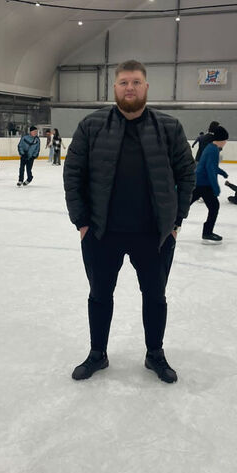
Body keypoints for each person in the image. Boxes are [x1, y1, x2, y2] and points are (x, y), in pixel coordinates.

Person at [63, 60, 195, 383]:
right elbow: (73, 174)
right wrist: (82, 223)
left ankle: (155, 354)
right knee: (99, 295)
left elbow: (186, 174)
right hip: (102, 232)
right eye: (123, 82)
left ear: (146, 86)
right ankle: (97, 353)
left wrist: (176, 222)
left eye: (136, 82)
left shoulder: (169, 127)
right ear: (115, 88)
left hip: (154, 235)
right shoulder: (91, 125)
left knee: (155, 296)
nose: (130, 88)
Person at [190, 125, 229, 243]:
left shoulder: (210, 147)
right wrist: (216, 188)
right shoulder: (213, 150)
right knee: (214, 207)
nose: (226, 142)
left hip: (198, 181)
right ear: (221, 139)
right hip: (204, 183)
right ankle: (207, 233)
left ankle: (170, 225)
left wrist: (222, 172)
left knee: (184, 204)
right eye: (225, 140)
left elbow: (211, 166)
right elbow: (210, 170)